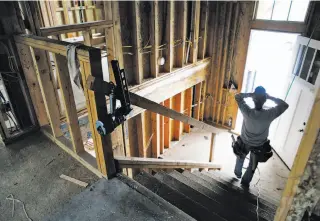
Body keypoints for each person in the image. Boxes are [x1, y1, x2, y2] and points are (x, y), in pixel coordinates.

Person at [234, 86, 289, 187]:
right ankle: (245, 182)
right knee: (252, 166)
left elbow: (237, 97)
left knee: (240, 157)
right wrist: (270, 97)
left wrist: (250, 94)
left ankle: (237, 174)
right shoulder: (269, 114)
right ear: (264, 100)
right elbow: (284, 105)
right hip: (259, 146)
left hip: (244, 142)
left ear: (253, 99)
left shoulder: (247, 111)